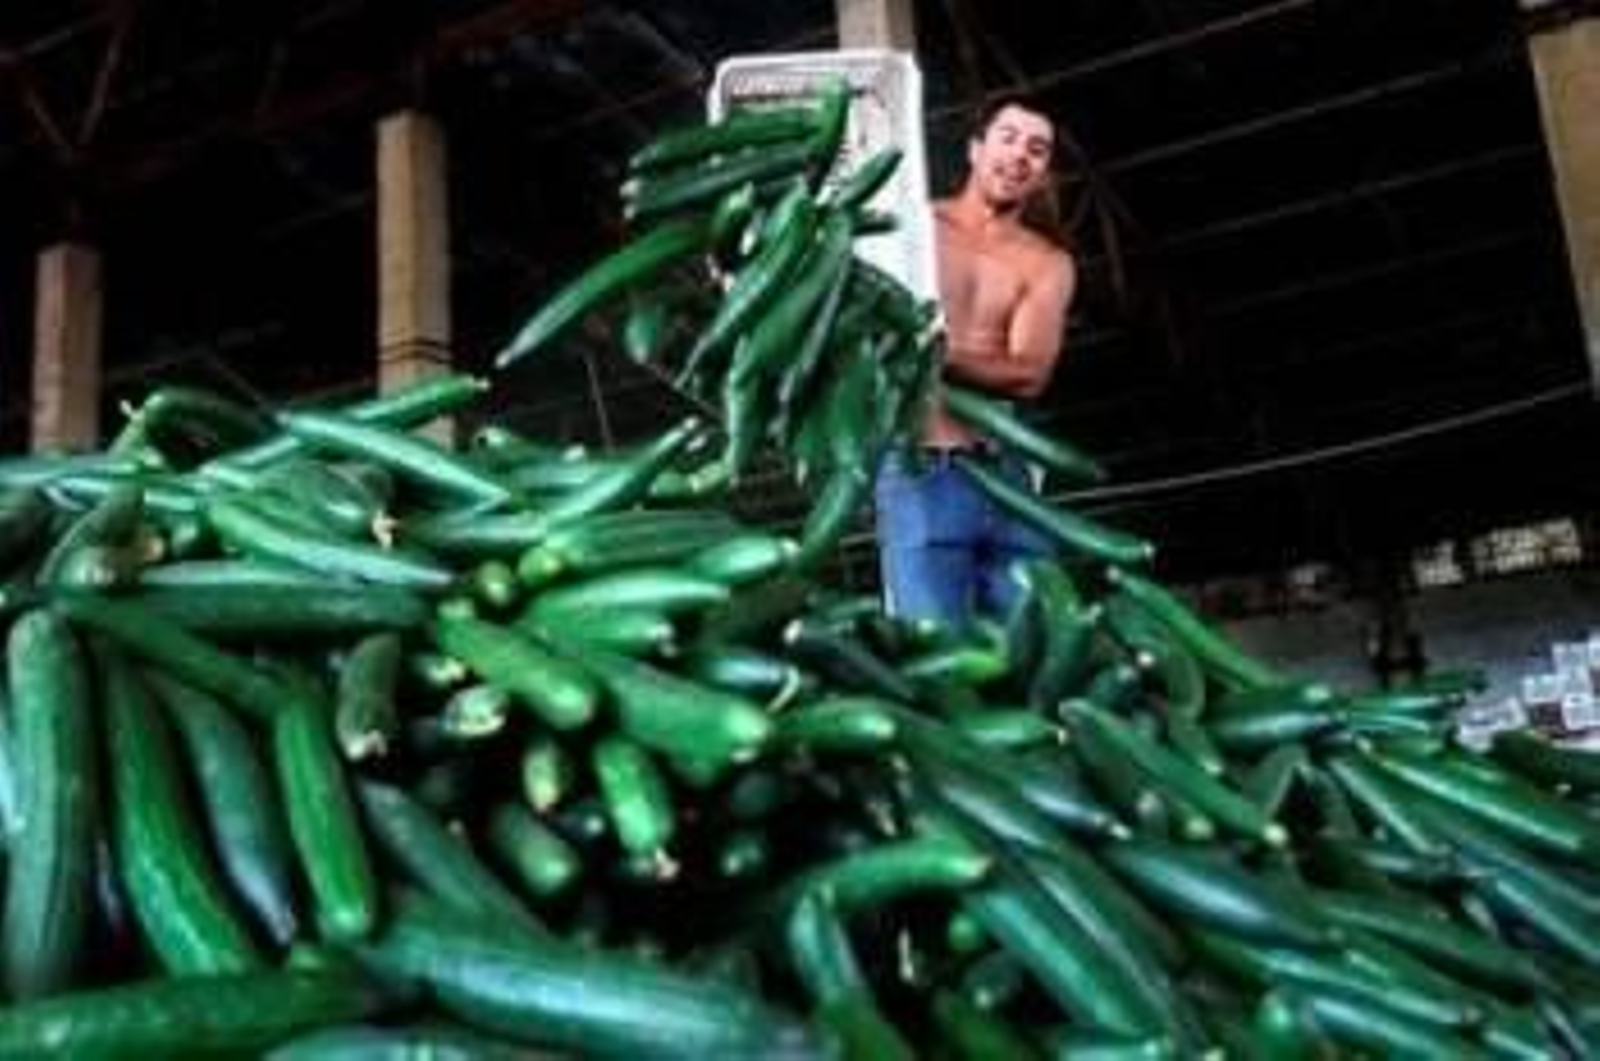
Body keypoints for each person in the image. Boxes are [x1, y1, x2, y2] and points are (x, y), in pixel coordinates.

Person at [874, 93, 1077, 629]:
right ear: (974, 149)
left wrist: (931, 351)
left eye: (1037, 150)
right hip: (919, 470)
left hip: (1007, 476)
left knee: (1043, 651)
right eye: (1007, 138)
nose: (1019, 156)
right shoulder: (909, 227)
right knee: (937, 660)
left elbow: (1029, 373)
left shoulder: (1047, 263)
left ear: (1042, 173)